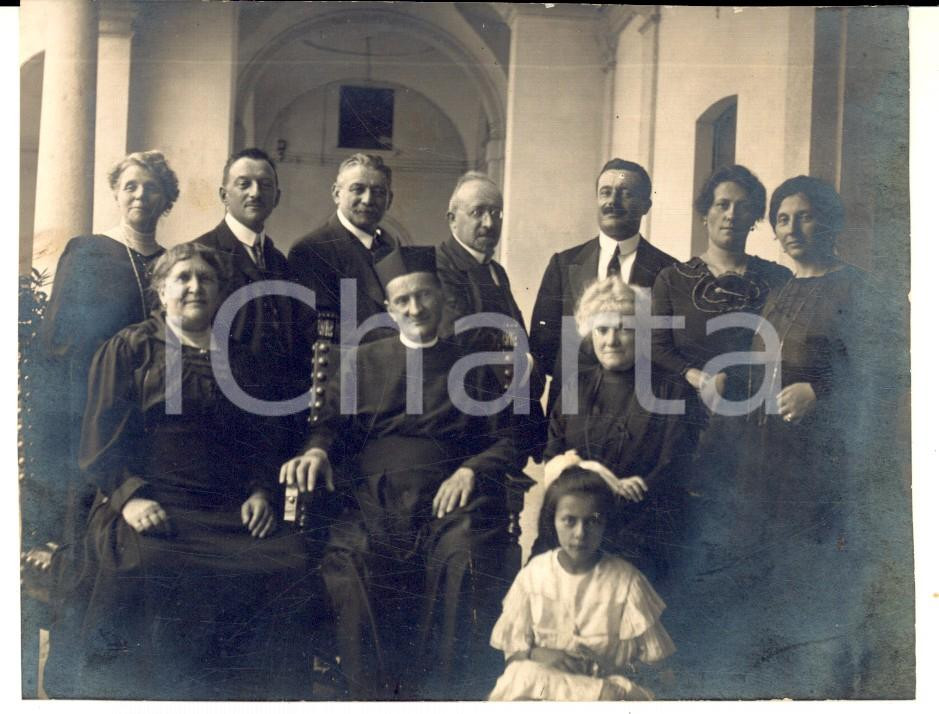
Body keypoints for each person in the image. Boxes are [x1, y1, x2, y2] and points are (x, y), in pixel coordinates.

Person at [279, 246, 522, 700]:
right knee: (351, 560)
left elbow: (506, 438)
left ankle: (443, 696)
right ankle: (370, 697)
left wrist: (471, 469)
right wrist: (316, 452)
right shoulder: (360, 360)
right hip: (372, 497)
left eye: (424, 296)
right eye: (403, 300)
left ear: (442, 297)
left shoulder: (470, 364)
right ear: (389, 309)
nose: (415, 308)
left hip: (450, 501)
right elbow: (327, 428)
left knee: (462, 555)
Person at [74, 243, 312, 700]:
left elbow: (262, 439)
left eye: (205, 278)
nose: (194, 287)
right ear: (161, 290)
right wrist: (130, 497)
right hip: (157, 506)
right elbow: (98, 440)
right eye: (182, 277)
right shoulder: (131, 349)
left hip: (227, 509)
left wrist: (261, 491)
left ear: (221, 292)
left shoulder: (242, 359)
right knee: (152, 566)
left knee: (288, 563)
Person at [38, 150, 179, 697]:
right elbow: (59, 341)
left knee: (129, 545)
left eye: (152, 189)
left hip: (148, 418)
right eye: (131, 187)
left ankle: (125, 679)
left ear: (167, 199)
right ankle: (70, 679)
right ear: (116, 192)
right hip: (89, 414)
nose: (141, 197)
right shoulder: (89, 252)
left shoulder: (171, 261)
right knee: (84, 539)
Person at [729, 176, 873, 697]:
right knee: (770, 584)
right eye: (782, 219)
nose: (791, 228)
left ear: (829, 219)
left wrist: (821, 394)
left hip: (824, 469)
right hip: (767, 463)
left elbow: (885, 378)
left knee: (815, 585)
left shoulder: (858, 289)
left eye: (804, 216)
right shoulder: (781, 291)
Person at [540, 277, 693, 587]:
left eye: (623, 328)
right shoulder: (575, 388)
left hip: (641, 525)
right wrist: (596, 474)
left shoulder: (669, 389)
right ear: (589, 334)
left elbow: (675, 466)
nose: (611, 340)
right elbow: (553, 459)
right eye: (602, 329)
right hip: (576, 529)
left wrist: (631, 494)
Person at [488, 467, 675, 701]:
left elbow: (663, 673)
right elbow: (512, 657)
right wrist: (537, 654)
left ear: (606, 523)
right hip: (546, 686)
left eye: (592, 522)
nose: (580, 533)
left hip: (606, 688)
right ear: (552, 520)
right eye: (569, 521)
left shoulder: (627, 582)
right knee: (522, 674)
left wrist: (611, 667)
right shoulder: (534, 576)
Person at [530, 158, 676, 408]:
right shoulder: (563, 265)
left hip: (639, 411)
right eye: (605, 193)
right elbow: (543, 348)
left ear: (646, 206)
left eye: (625, 194)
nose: (612, 202)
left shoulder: (670, 271)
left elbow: (669, 350)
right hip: (570, 411)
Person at [436, 171, 546, 460]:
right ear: (452, 219)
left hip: (505, 416)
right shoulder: (440, 266)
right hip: (467, 416)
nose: (489, 222)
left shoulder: (496, 271)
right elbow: (460, 334)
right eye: (478, 212)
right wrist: (524, 358)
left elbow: (516, 332)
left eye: (496, 213)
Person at [192, 147, 304, 412]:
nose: (255, 193)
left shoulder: (279, 262)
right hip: (221, 407)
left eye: (265, 185)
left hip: (278, 409)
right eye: (244, 184)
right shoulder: (200, 255)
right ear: (224, 195)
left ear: (277, 198)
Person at [288, 153, 400, 348]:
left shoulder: (390, 248)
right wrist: (396, 341)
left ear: (390, 199)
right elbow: (316, 328)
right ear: (336, 193)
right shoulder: (311, 251)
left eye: (379, 192)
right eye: (358, 189)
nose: (368, 199)